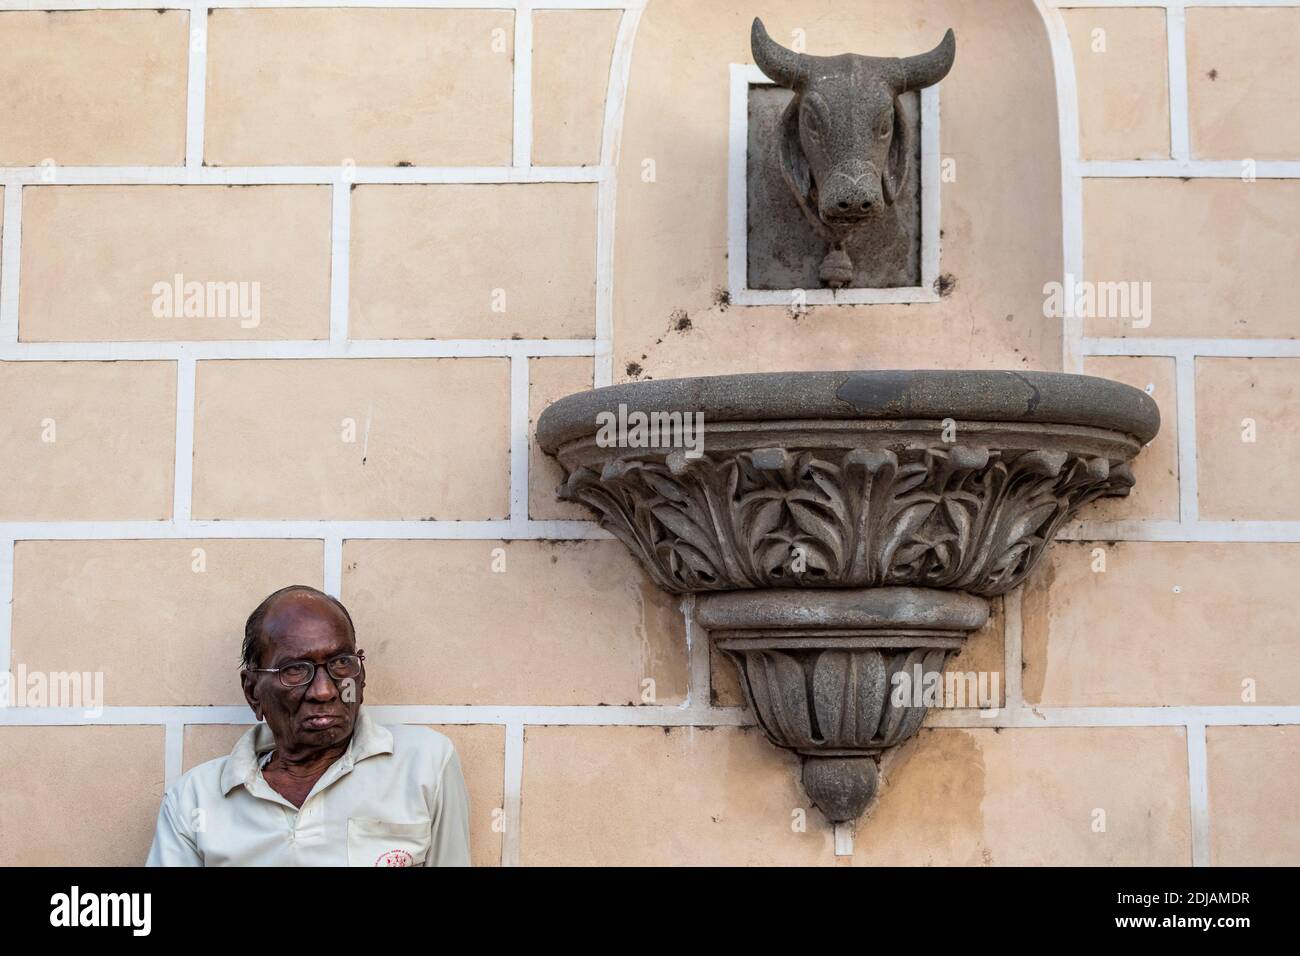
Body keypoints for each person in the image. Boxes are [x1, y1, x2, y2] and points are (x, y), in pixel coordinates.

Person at [146, 585, 471, 866]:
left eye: (341, 663)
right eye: (295, 670)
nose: (325, 690)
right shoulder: (195, 799)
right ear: (252, 692)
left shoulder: (424, 764)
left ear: (361, 676)